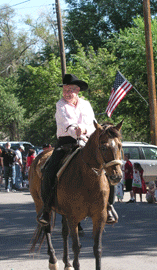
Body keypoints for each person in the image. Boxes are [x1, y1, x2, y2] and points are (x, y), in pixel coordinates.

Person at [38, 73, 117, 226]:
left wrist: (85, 131)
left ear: (77, 90)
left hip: (87, 141)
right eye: (65, 90)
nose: (66, 93)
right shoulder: (60, 105)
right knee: (49, 171)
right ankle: (46, 210)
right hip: (66, 142)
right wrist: (76, 131)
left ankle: (108, 206)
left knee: (108, 167)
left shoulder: (86, 105)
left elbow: (93, 123)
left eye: (70, 90)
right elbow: (66, 122)